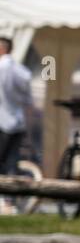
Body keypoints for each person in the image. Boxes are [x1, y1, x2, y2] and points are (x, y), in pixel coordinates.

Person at [0, 36, 34, 212]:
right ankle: (9, 201)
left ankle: (5, 199)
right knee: (12, 163)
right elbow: (28, 94)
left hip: (2, 121)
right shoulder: (20, 69)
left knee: (3, 163)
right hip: (17, 121)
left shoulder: (2, 68)